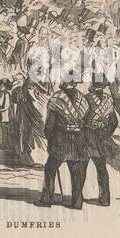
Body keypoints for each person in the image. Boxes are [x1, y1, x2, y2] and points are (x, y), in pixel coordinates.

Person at [38, 79, 88, 209]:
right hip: (78, 140)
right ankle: (77, 202)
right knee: (77, 171)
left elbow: (50, 125)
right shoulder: (83, 99)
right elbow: (86, 121)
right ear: (75, 83)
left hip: (61, 140)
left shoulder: (56, 99)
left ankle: (47, 199)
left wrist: (49, 137)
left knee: (50, 168)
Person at [83, 77, 118, 207]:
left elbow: (80, 119)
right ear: (103, 86)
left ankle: (77, 199)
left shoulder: (86, 98)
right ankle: (105, 199)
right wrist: (106, 132)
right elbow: (114, 122)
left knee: (81, 167)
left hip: (87, 137)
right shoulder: (109, 100)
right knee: (101, 168)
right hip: (101, 137)